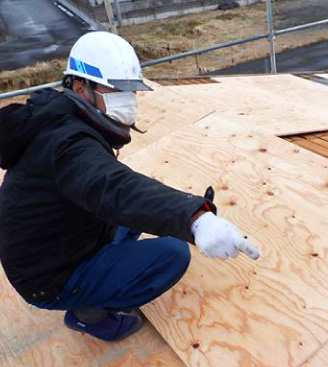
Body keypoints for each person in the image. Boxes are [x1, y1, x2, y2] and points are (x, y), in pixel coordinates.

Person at [0, 32, 259, 342]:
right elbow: (111, 186)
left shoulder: (59, 119)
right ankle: (88, 313)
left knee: (133, 213)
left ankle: (101, 269)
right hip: (49, 276)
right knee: (171, 255)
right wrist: (195, 219)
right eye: (117, 89)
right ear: (80, 87)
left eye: (131, 90)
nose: (129, 99)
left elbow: (111, 186)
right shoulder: (66, 143)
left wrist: (180, 214)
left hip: (54, 243)